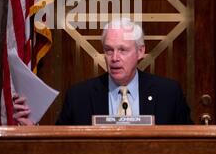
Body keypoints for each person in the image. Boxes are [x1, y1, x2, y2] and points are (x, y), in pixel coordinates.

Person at [13, 18, 193, 125]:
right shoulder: (79, 96)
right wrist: (32, 130)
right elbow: (61, 147)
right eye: (108, 50)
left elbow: (189, 143)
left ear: (140, 52)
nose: (114, 58)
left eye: (122, 50)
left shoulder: (168, 93)